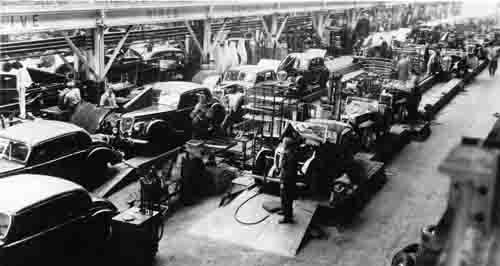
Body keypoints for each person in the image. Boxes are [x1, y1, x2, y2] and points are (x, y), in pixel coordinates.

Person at [278, 136, 299, 224]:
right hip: (289, 179)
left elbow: (286, 169)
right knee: (284, 196)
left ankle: (287, 217)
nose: (282, 144)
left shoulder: (288, 155)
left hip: (287, 180)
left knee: (287, 198)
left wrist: (283, 181)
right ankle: (284, 210)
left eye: (283, 143)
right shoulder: (291, 153)